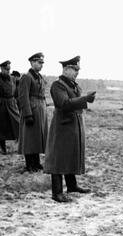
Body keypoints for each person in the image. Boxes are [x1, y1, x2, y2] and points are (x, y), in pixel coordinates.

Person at [44, 56, 96, 203]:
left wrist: (84, 100)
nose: (77, 72)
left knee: (70, 155)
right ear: (66, 69)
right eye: (75, 69)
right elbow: (64, 104)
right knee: (58, 158)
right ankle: (57, 193)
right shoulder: (57, 85)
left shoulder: (74, 85)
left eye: (78, 70)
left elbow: (73, 103)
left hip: (73, 125)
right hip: (62, 126)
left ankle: (72, 186)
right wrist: (84, 99)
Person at [18, 53, 48, 172]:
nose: (41, 65)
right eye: (39, 63)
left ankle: (36, 163)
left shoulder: (39, 77)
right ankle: (29, 164)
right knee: (29, 139)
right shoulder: (26, 77)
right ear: (32, 63)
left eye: (42, 63)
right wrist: (27, 114)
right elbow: (23, 97)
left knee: (37, 138)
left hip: (40, 110)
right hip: (31, 110)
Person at [0, 61, 20, 155]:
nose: (8, 71)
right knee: (2, 127)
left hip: (12, 103)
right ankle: (3, 148)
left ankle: (20, 145)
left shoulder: (13, 79)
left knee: (18, 123)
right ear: (2, 69)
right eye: (6, 69)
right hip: (2, 105)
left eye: (9, 69)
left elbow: (16, 91)